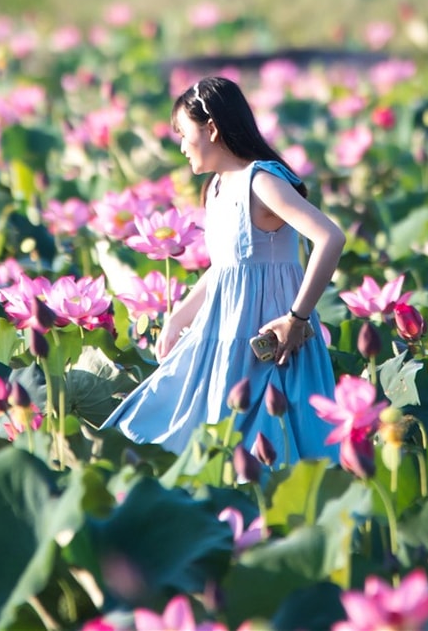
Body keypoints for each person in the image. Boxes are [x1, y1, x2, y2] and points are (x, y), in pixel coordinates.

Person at [103, 75, 344, 459]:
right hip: (224, 332)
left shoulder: (261, 181)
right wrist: (179, 316)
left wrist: (296, 319)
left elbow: (330, 238)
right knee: (179, 426)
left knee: (273, 446)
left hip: (272, 338)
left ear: (211, 128)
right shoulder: (215, 188)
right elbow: (226, 267)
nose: (181, 147)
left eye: (184, 133)